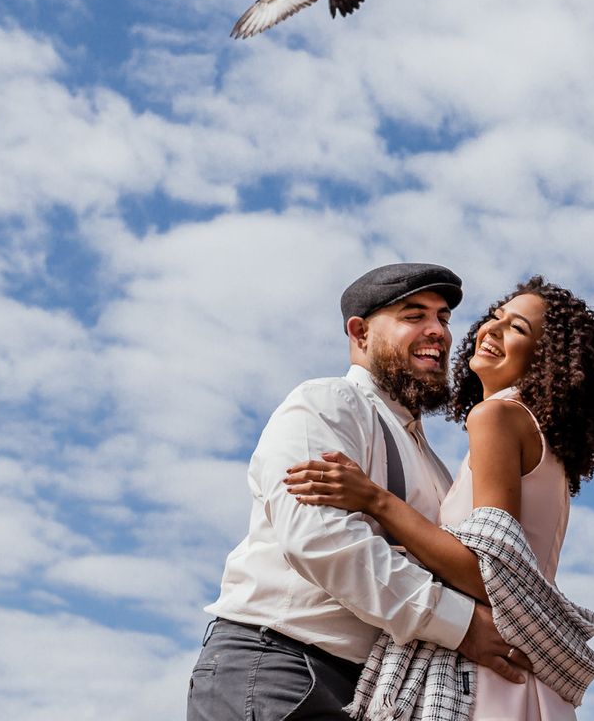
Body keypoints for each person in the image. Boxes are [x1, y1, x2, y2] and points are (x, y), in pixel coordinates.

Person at [284, 275, 594, 721]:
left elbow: (490, 573)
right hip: (526, 681)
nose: (490, 329)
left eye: (517, 329)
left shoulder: (496, 417)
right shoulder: (545, 448)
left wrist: (376, 500)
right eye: (495, 317)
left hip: (484, 680)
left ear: (545, 358)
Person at [188, 263, 532, 720]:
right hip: (281, 666)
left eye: (444, 318)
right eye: (414, 316)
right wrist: (462, 625)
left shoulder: (436, 466)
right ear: (360, 332)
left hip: (368, 689)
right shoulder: (326, 403)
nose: (438, 331)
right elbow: (320, 540)